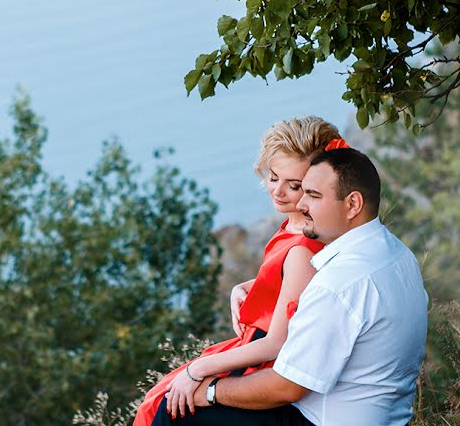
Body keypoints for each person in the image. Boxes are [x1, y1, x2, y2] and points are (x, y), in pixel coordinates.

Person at [151, 147, 429, 426]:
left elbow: (287, 386)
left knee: (173, 412)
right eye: (304, 191)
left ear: (353, 204)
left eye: (314, 196)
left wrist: (209, 391)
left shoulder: (338, 285)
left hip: (319, 421)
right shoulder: (396, 254)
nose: (302, 205)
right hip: (384, 417)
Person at [132, 117, 347, 426]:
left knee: (168, 408)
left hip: (265, 359)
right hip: (255, 344)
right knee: (162, 399)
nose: (279, 192)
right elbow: (288, 279)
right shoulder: (299, 223)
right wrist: (248, 286)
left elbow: (276, 343)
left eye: (295, 186)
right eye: (274, 178)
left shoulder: (303, 246)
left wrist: (198, 370)